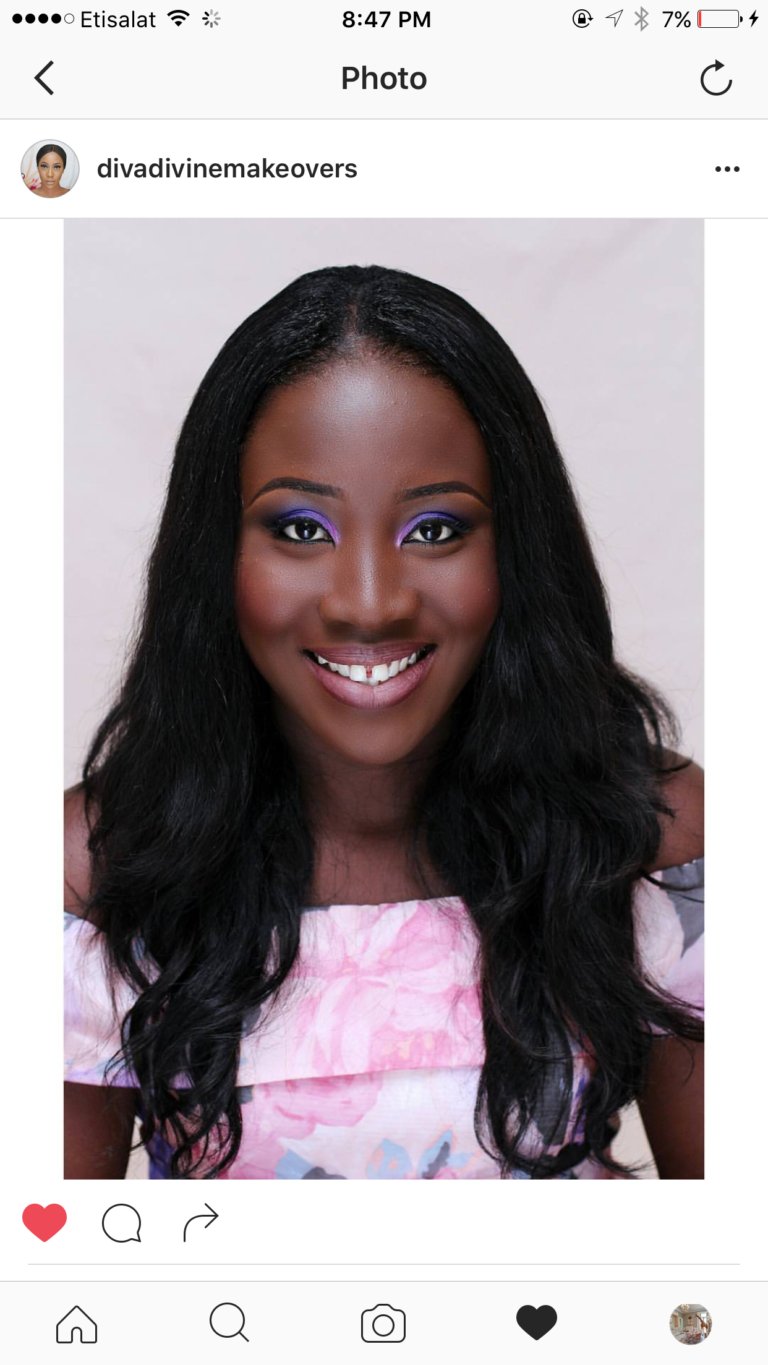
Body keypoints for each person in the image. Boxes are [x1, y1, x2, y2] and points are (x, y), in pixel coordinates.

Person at [64, 264, 704, 1180]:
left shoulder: (653, 842)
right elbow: (52, 1256)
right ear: (218, 554)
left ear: (516, 551)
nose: (370, 603)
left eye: (436, 529)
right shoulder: (93, 877)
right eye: (301, 529)